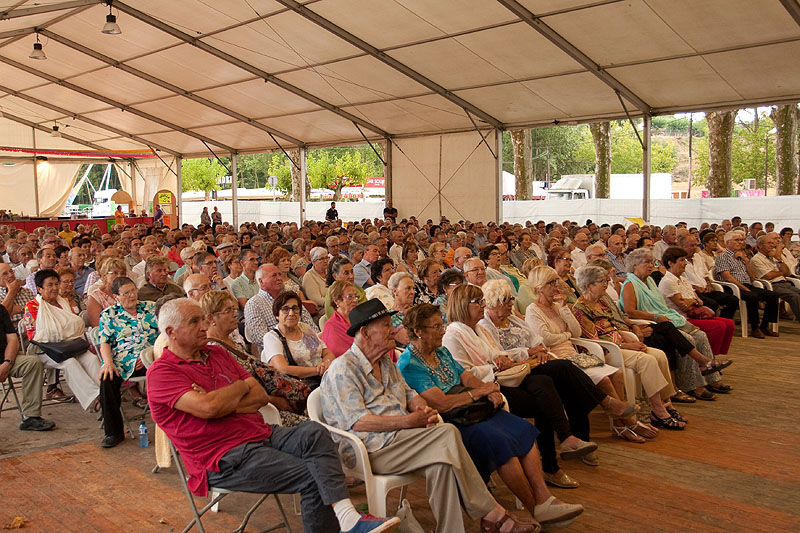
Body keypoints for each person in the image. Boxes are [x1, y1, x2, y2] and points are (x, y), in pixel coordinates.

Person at [146, 298, 400, 533]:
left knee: (315, 432)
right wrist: (237, 389)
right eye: (194, 322)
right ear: (171, 332)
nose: (204, 326)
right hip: (221, 457)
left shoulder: (218, 353)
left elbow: (259, 395)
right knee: (313, 475)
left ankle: (348, 519)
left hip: (261, 435)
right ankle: (348, 521)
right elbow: (209, 408)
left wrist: (221, 400)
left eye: (203, 319)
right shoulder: (162, 373)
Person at [320, 299, 544, 533]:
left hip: (402, 439)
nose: (394, 330)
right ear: (365, 332)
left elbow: (409, 393)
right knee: (447, 432)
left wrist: (420, 408)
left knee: (442, 465)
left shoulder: (385, 362)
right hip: (370, 449)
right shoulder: (343, 368)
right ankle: (494, 514)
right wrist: (406, 421)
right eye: (385, 325)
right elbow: (358, 422)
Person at [399, 303, 585, 528]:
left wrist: (489, 390)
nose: (443, 330)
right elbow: (442, 403)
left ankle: (544, 498)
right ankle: (534, 508)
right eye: (437, 326)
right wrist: (479, 392)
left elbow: (466, 377)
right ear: (418, 331)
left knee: (522, 430)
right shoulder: (409, 364)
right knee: (501, 444)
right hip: (452, 422)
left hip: (471, 409)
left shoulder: (441, 352)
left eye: (442, 324)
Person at [463, 281, 635, 480]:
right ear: (493, 304)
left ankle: (572, 443)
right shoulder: (486, 325)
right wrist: (529, 352)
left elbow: (538, 339)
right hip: (515, 374)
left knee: (562, 381)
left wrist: (539, 350)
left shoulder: (513, 319)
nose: (511, 303)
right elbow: (500, 356)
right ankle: (602, 406)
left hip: (533, 367)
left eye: (511, 299)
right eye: (506, 300)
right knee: (560, 374)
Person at [572, 266, 686, 432]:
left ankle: (666, 403)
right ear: (589, 286)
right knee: (647, 360)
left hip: (619, 343)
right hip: (607, 351)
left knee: (660, 354)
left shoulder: (602, 302)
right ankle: (658, 410)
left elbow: (613, 326)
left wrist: (627, 335)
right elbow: (594, 340)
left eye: (606, 281)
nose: (606, 285)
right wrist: (625, 345)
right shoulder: (580, 309)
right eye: (601, 281)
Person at [622, 248, 732, 401]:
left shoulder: (650, 281)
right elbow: (630, 311)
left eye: (652, 262)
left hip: (664, 318)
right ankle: (692, 385)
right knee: (689, 339)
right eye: (646, 262)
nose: (651, 266)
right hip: (651, 322)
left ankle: (711, 379)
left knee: (700, 335)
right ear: (634, 265)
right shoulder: (630, 284)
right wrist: (656, 316)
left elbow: (663, 305)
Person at [23, 269, 101, 412]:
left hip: (69, 346)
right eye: (50, 285)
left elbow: (73, 326)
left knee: (91, 359)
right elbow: (44, 334)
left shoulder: (63, 303)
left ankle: (105, 393)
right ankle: (95, 400)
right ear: (40, 289)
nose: (54, 288)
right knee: (70, 363)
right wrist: (63, 331)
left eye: (56, 284)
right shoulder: (32, 306)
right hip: (44, 350)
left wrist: (62, 332)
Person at [97, 276, 158, 448]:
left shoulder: (150, 307)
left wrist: (148, 356)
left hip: (152, 357)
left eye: (133, 290)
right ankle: (114, 432)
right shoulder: (109, 315)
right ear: (116, 297)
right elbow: (104, 342)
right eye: (126, 293)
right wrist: (108, 363)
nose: (132, 295)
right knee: (107, 378)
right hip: (123, 360)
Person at [660, 247, 736, 363]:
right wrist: (693, 301)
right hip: (682, 318)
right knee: (718, 326)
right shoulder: (668, 281)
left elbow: (699, 301)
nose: (685, 263)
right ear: (670, 263)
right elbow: (683, 306)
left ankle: (713, 355)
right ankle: (708, 359)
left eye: (685, 260)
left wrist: (692, 301)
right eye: (681, 260)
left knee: (729, 324)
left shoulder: (684, 279)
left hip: (694, 313)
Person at [713, 230, 779, 338]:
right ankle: (755, 328)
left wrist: (746, 261)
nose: (740, 242)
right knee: (752, 296)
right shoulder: (723, 256)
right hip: (731, 287)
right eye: (737, 240)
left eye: (741, 240)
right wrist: (743, 287)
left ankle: (764, 325)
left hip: (746, 285)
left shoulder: (741, 256)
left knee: (773, 295)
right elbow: (727, 277)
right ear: (727, 242)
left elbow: (753, 277)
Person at [0, 303, 55, 431]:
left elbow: (12, 339)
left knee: (33, 363)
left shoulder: (1, 310)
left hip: (6, 357)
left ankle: (31, 416)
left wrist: (7, 363)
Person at [261, 291, 334, 385]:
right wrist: (318, 370)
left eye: (295, 308)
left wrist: (327, 362)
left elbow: (327, 352)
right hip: (303, 385)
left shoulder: (304, 327)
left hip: (325, 376)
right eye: (285, 309)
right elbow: (283, 369)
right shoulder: (272, 337)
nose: (291, 313)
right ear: (277, 314)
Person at [245, 264, 319, 351]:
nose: (279, 278)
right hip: (278, 351)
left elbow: (311, 326)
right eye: (274, 275)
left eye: (279, 274)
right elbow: (259, 337)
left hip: (307, 346)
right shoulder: (254, 304)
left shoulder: (290, 298)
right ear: (261, 281)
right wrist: (292, 343)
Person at [750, 234, 800, 322]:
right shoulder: (756, 259)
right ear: (760, 245)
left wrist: (779, 259)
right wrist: (781, 273)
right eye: (769, 243)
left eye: (772, 243)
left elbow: (787, 273)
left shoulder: (774, 257)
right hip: (772, 285)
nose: (772, 246)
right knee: (794, 296)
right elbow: (769, 276)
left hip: (785, 283)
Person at [321, 280, 358, 357]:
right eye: (350, 297)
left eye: (356, 296)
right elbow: (336, 354)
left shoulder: (359, 318)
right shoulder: (332, 325)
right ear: (336, 301)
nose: (355, 300)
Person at [86, 257, 127, 327]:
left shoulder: (128, 293)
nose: (119, 276)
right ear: (105, 275)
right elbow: (97, 325)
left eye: (122, 273)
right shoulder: (95, 296)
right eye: (115, 273)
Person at [388, 272, 415, 348]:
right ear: (395, 291)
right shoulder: (390, 317)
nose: (413, 292)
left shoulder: (418, 310)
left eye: (413, 288)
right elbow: (409, 339)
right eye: (408, 288)